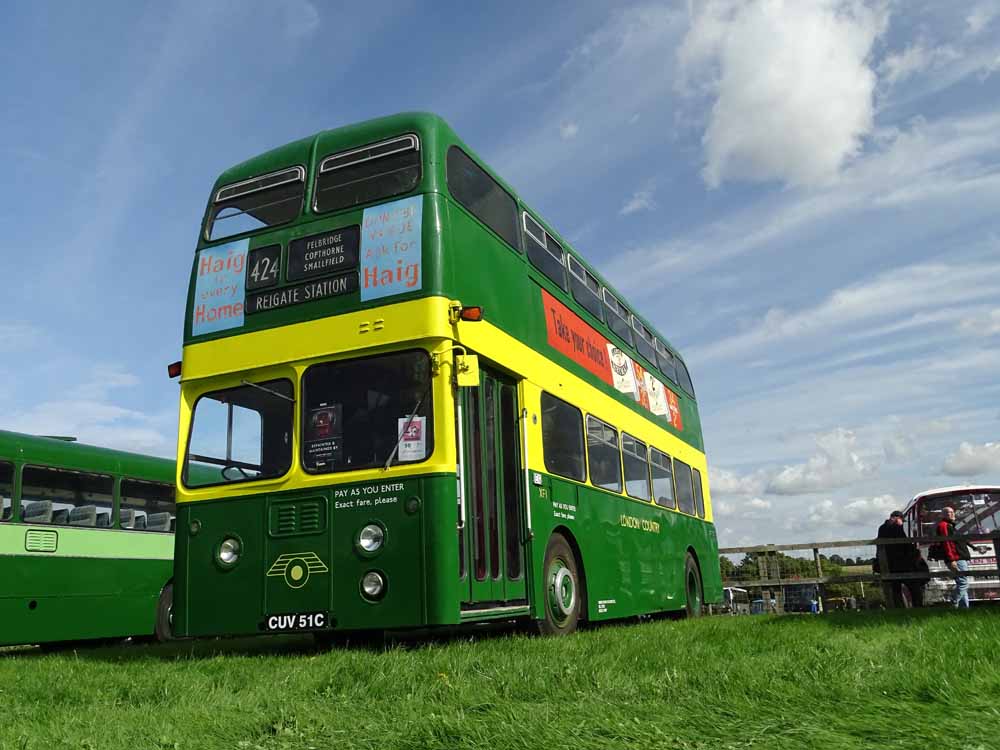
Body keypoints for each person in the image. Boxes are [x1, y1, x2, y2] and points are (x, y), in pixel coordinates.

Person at [935, 506, 986, 608]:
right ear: (943, 515)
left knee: (961, 583)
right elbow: (946, 543)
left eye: (953, 512)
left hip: (959, 558)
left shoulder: (951, 526)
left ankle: (964, 609)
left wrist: (974, 548)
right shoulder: (944, 525)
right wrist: (951, 559)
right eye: (949, 512)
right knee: (963, 583)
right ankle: (953, 601)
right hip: (956, 558)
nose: (953, 514)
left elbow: (961, 540)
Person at [876, 510, 927, 607]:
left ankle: (900, 608)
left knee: (896, 590)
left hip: (889, 563)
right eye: (901, 520)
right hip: (903, 563)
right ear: (897, 518)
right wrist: (915, 552)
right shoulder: (896, 527)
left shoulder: (882, 528)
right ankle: (918, 607)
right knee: (914, 587)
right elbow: (903, 543)